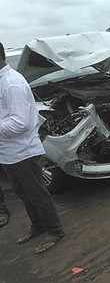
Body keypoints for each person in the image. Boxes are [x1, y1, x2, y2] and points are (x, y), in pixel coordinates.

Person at [0, 42, 65, 254]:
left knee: (36, 194)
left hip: (23, 152)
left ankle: (55, 231)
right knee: (23, 194)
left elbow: (20, 123)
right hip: (9, 153)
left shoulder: (11, 84)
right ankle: (37, 226)